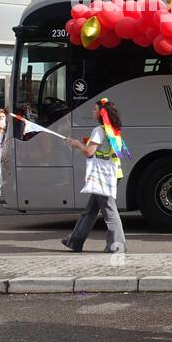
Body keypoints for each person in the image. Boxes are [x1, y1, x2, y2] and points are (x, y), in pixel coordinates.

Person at [61, 99, 127, 253]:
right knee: (90, 211)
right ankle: (74, 241)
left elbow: (89, 152)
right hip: (113, 173)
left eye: (95, 109)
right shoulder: (113, 129)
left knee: (109, 211)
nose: (92, 111)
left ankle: (117, 245)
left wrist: (77, 144)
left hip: (102, 176)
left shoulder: (98, 130)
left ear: (101, 113)